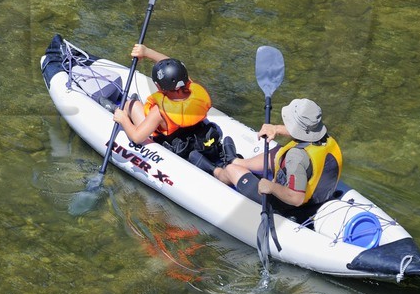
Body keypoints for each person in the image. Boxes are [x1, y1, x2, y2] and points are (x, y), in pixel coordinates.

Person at [213, 97, 342, 218]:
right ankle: (237, 160)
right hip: (320, 198)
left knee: (231, 170)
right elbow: (304, 132)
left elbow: (296, 198)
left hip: (288, 206)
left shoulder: (296, 157)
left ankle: (213, 169)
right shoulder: (327, 139)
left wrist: (270, 186)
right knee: (279, 153)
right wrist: (276, 129)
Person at [114, 44, 226, 172]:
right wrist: (146, 51)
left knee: (131, 104)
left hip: (172, 144)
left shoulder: (159, 111)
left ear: (159, 87)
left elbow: (137, 137)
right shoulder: (192, 88)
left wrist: (123, 119)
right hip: (192, 137)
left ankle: (122, 110)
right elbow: (174, 65)